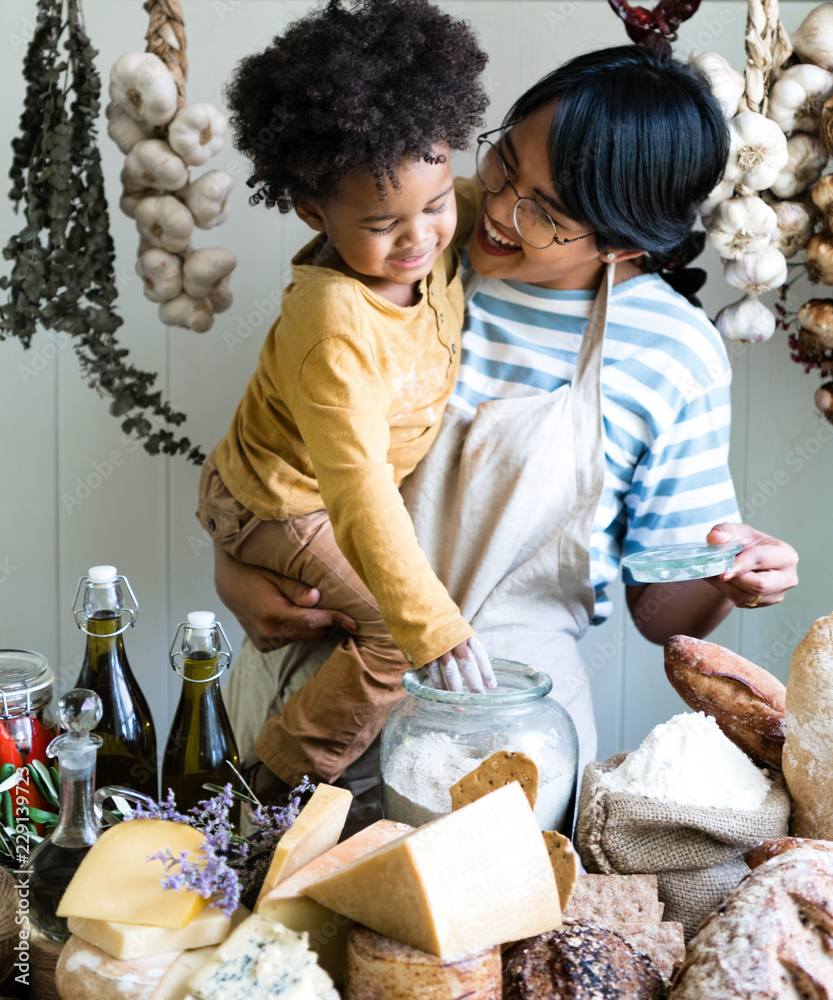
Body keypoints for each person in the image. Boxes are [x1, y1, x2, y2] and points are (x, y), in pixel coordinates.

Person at [214, 43, 799, 825]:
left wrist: (727, 577)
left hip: (510, 742)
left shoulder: (669, 351)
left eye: (543, 212)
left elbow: (658, 615)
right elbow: (281, 452)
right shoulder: (403, 245)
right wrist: (233, 564)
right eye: (501, 164)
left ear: (624, 242)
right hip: (309, 692)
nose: (494, 211)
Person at [197, 0, 496, 795]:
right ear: (311, 212)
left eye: (433, 206)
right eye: (380, 223)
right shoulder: (333, 326)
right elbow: (357, 488)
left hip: (317, 493)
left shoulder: (439, 212)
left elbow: (479, 198)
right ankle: (268, 788)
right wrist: (431, 625)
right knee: (393, 639)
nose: (418, 239)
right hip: (278, 502)